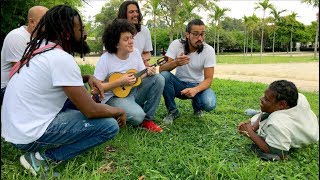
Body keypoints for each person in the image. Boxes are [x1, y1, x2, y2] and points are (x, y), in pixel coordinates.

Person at [1, 5, 126, 176]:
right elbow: (91, 110)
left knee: (78, 100)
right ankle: (42, 159)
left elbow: (54, 79)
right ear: (67, 33)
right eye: (80, 29)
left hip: (15, 129)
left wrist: (87, 77)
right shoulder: (60, 58)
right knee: (109, 125)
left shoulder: (42, 49)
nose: (84, 34)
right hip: (27, 136)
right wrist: (119, 110)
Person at [94, 18, 164, 133]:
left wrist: (148, 72)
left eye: (131, 37)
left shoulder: (135, 53)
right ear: (116, 43)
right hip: (112, 98)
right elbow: (96, 89)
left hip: (132, 91)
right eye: (126, 39)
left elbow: (140, 76)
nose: (131, 41)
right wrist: (120, 82)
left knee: (158, 79)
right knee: (137, 117)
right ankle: (113, 113)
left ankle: (147, 120)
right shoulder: (106, 59)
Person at [238, 80, 319, 161]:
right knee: (268, 109)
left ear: (282, 104)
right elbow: (269, 111)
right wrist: (253, 125)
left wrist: (250, 133)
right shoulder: (300, 97)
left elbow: (280, 154)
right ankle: (257, 114)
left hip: (303, 137)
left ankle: (257, 115)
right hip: (312, 130)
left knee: (256, 145)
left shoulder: (277, 122)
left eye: (266, 99)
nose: (261, 98)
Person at [159, 19, 217, 124]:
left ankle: (197, 107)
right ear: (187, 34)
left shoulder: (208, 50)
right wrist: (176, 63)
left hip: (197, 86)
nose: (200, 38)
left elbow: (208, 79)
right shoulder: (176, 45)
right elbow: (161, 69)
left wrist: (195, 89)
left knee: (210, 104)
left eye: (202, 34)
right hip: (179, 85)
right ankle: (173, 111)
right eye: (195, 34)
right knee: (164, 76)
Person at [0, 6, 48, 105]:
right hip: (7, 87)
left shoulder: (41, 39)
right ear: (32, 22)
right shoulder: (17, 37)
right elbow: (19, 75)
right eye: (46, 20)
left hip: (27, 82)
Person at [117, 0, 153, 66]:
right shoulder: (114, 31)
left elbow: (147, 53)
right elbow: (106, 54)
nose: (135, 14)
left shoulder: (144, 31)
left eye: (137, 11)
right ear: (124, 14)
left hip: (139, 70)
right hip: (119, 70)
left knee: (158, 76)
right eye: (131, 12)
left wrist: (144, 59)